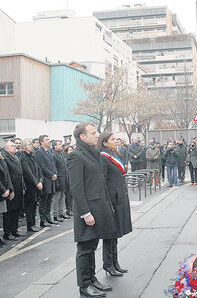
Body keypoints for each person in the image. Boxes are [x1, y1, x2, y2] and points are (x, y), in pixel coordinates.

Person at [68, 123, 116, 297]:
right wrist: (85, 213)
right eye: (93, 133)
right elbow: (76, 188)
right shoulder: (75, 156)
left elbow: (101, 183)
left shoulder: (93, 152)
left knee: (92, 245)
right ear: (82, 136)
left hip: (99, 206)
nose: (97, 135)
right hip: (88, 209)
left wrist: (108, 204)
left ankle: (92, 279)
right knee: (85, 248)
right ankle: (84, 284)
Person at [98, 132, 132, 277]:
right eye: (112, 140)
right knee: (110, 233)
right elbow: (103, 181)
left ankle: (115, 262)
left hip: (120, 197)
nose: (116, 141)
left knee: (116, 232)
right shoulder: (103, 157)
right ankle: (108, 264)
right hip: (112, 199)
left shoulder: (114, 155)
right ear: (105, 143)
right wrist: (107, 202)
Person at [3, 141, 25, 240]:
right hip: (12, 188)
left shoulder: (15, 157)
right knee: (9, 211)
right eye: (12, 146)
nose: (14, 147)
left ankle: (14, 230)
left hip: (19, 187)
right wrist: (10, 189)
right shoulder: (5, 158)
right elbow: (7, 175)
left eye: (14, 146)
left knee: (16, 210)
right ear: (6, 148)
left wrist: (23, 186)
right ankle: (7, 232)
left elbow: (20, 174)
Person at [20, 139, 43, 232]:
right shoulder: (23, 157)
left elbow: (38, 169)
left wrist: (40, 180)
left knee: (34, 205)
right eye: (29, 144)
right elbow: (27, 172)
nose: (31, 145)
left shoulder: (32, 156)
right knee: (29, 206)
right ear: (24, 146)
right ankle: (30, 224)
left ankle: (33, 223)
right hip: (30, 185)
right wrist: (36, 182)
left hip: (36, 185)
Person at [34, 135, 58, 226]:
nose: (49, 141)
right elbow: (42, 167)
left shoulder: (49, 151)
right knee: (44, 200)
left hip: (51, 179)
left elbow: (52, 164)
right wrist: (51, 174)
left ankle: (48, 217)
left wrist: (55, 173)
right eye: (46, 140)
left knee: (49, 200)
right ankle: (42, 220)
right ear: (41, 142)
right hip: (46, 179)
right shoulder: (39, 153)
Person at [52, 140, 70, 222]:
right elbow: (54, 169)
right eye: (59, 144)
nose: (61, 146)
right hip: (58, 179)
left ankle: (62, 212)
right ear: (54, 146)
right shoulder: (54, 155)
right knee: (57, 197)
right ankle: (55, 214)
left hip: (64, 178)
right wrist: (56, 182)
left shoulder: (61, 154)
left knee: (63, 196)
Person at [63, 144, 74, 216]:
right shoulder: (66, 159)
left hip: (73, 177)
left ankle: (71, 209)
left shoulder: (73, 157)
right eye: (70, 150)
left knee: (72, 195)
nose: (72, 151)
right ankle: (68, 210)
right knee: (68, 195)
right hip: (67, 178)